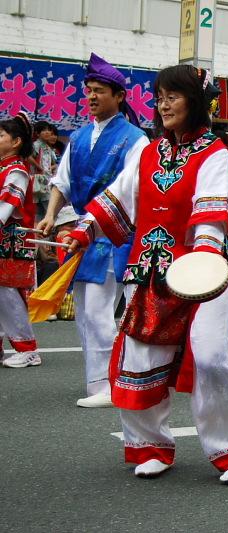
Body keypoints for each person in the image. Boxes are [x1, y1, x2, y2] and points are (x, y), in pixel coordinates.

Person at [64, 64, 228, 484]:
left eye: (173, 94)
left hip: (205, 273)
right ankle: (151, 445)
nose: (163, 102)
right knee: (139, 359)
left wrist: (203, 263)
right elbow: (118, 197)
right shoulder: (147, 151)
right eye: (159, 95)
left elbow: (210, 215)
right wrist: (84, 232)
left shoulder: (217, 155)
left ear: (196, 101)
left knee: (210, 356)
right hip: (151, 271)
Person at [38, 53, 148, 408]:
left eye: (99, 90)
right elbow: (62, 181)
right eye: (88, 91)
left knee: (108, 311)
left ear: (119, 96)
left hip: (119, 234)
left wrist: (94, 223)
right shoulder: (80, 136)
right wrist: (51, 215)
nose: (91, 97)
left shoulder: (136, 138)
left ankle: (114, 382)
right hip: (86, 235)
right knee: (86, 311)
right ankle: (101, 379)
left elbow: (130, 190)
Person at [0, 112, 42, 368]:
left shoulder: (17, 170)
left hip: (12, 244)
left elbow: (6, 206)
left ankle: (28, 349)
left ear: (16, 141)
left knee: (9, 295)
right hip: (5, 243)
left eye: (1, 135)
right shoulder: (5, 168)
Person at [29, 121, 60, 220]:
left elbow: (53, 162)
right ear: (37, 133)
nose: (47, 132)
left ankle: (44, 233)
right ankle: (51, 231)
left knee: (41, 211)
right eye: (43, 130)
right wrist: (39, 167)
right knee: (50, 209)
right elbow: (28, 157)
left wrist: (54, 166)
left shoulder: (48, 147)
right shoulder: (36, 145)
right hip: (40, 181)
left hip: (47, 180)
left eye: (48, 130)